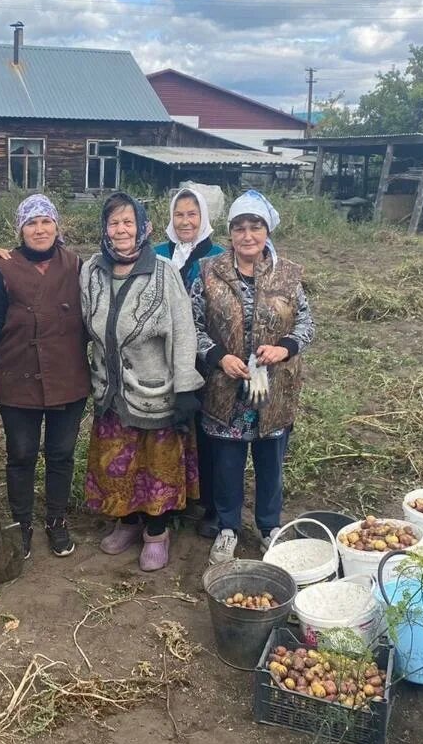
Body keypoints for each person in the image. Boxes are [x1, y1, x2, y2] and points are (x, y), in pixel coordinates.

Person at [190, 190, 316, 565]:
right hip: (226, 387)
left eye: (255, 227)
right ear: (230, 234)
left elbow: (308, 322)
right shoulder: (210, 272)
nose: (247, 236)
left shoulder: (289, 274)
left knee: (270, 461)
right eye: (239, 228)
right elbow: (191, 325)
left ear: (267, 230)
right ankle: (228, 528)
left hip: (273, 388)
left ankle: (268, 528)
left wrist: (285, 348)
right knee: (227, 463)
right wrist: (217, 357)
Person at [81, 191, 204, 572]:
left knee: (156, 465)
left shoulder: (163, 270)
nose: (121, 230)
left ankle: (156, 532)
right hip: (110, 390)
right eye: (114, 222)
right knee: (117, 463)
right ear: (105, 228)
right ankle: (128, 523)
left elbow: (183, 332)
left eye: (128, 222)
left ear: (143, 228)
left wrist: (185, 386)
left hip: (155, 390)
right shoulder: (91, 270)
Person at [0, 194, 89, 559]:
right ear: (21, 229)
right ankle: (22, 523)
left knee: (61, 453)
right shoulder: (3, 268)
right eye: (31, 223)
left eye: (46, 221)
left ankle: (56, 521)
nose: (39, 229)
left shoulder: (76, 265)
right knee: (22, 454)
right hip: (18, 377)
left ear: (57, 226)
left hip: (67, 376)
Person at [155, 186, 225, 540]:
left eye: (192, 214)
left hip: (205, 359)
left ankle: (210, 504)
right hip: (160, 358)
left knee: (207, 431)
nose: (185, 221)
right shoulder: (155, 254)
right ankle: (173, 500)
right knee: (169, 429)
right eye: (179, 214)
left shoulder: (217, 257)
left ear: (204, 218)